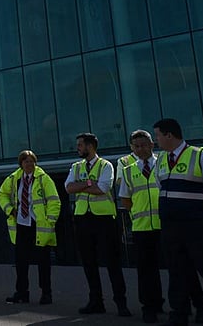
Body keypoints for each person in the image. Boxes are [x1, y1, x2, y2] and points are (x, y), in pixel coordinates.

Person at [153, 118, 203, 326]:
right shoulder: (161, 159)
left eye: (158, 135)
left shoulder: (199, 156)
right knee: (177, 273)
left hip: (198, 226)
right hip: (172, 227)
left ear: (169, 135)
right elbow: (160, 185)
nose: (156, 140)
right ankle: (179, 314)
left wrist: (202, 211)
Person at [65, 132, 129, 316]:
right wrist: (88, 183)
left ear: (90, 146)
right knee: (88, 263)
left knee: (112, 262)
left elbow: (103, 188)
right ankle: (96, 301)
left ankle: (121, 302)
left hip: (104, 219)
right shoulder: (76, 167)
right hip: (82, 218)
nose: (77, 148)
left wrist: (82, 186)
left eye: (80, 145)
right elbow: (68, 188)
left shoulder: (105, 165)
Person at [117, 130, 169, 323]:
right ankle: (150, 306)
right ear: (132, 148)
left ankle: (182, 304)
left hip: (165, 225)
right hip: (141, 227)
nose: (140, 149)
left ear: (151, 145)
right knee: (146, 271)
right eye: (136, 146)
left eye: (143, 145)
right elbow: (125, 199)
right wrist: (137, 213)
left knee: (178, 266)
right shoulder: (129, 170)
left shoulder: (163, 165)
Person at [0, 149, 59, 306]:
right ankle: (22, 293)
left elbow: (54, 200)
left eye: (32, 161)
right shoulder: (14, 178)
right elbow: (2, 194)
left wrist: (50, 221)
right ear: (21, 164)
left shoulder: (43, 178)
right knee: (21, 262)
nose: (29, 164)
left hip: (39, 225)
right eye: (26, 161)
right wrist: (9, 209)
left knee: (43, 262)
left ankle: (46, 293)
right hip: (21, 224)